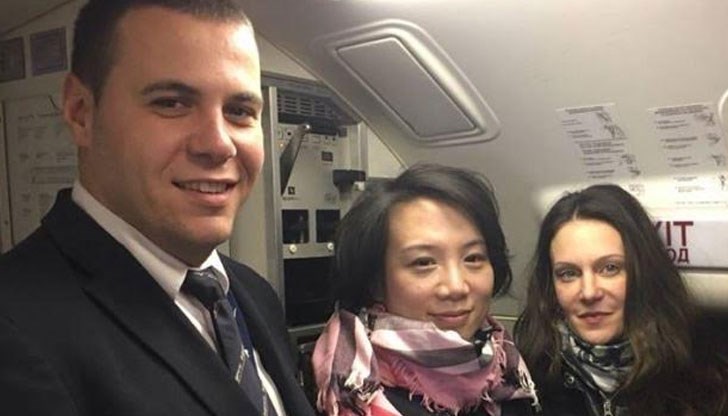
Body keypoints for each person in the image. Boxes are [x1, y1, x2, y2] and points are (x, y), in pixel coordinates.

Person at [0, 1, 315, 415]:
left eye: (239, 112)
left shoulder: (252, 293)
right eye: (171, 103)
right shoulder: (16, 328)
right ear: (81, 113)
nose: (218, 144)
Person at [312, 163, 540, 416]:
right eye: (424, 263)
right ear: (375, 281)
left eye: (473, 258)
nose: (456, 286)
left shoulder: (509, 374)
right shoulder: (355, 395)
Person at [514, 184, 728, 416]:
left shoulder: (702, 376)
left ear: (642, 273)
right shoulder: (526, 382)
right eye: (568, 273)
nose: (589, 292)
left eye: (610, 268)